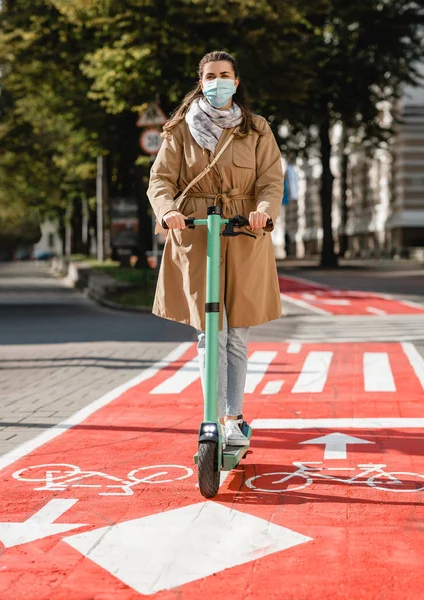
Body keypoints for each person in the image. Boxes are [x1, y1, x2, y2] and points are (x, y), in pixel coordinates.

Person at [147, 50, 283, 446]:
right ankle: (215, 418)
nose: (217, 81)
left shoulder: (257, 129)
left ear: (236, 82)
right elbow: (160, 181)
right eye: (210, 75)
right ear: (200, 81)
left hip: (244, 232)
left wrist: (262, 210)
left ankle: (233, 417)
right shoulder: (179, 130)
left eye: (225, 74)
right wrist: (169, 211)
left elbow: (271, 180)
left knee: (236, 331)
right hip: (196, 232)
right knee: (212, 331)